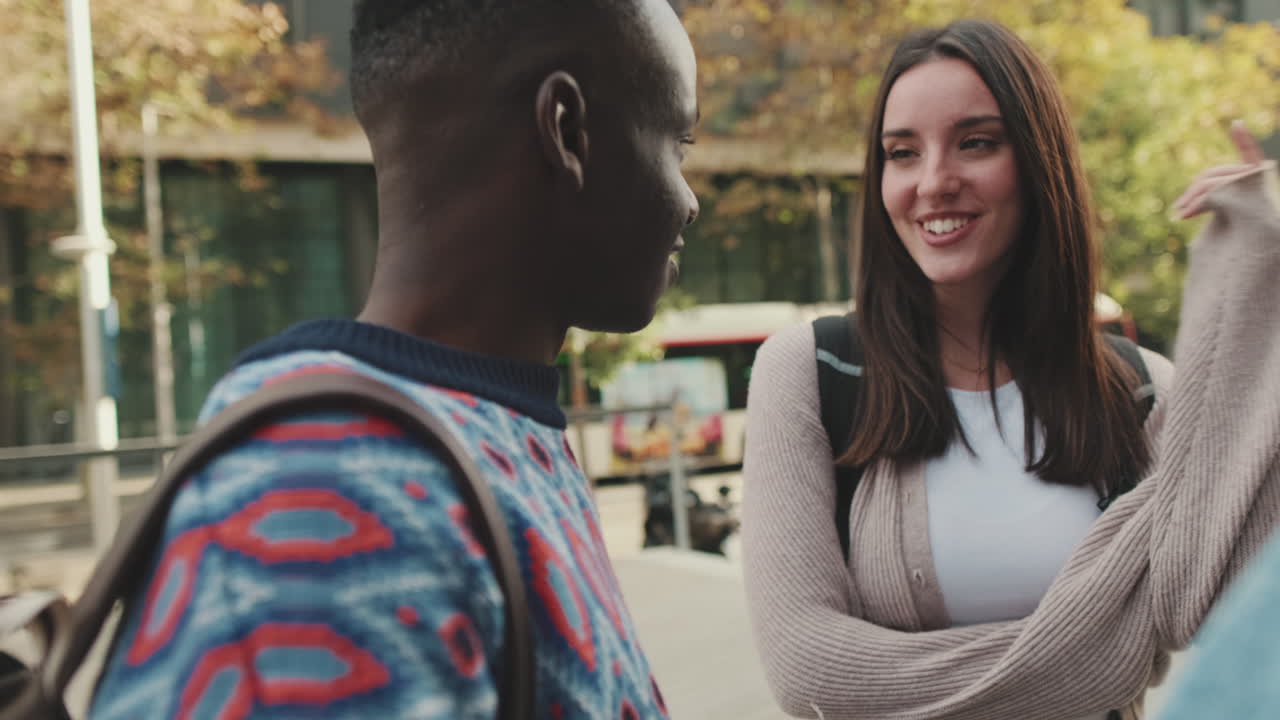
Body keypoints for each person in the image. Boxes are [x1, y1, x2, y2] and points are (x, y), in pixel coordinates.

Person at [90, 0, 699, 718]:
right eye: (678, 145)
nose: (689, 201)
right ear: (565, 130)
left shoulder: (479, 433)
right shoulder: (319, 505)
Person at [741, 18, 1280, 720]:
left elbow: (1211, 608)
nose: (933, 182)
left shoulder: (1142, 391)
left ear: (1038, 162)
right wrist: (1093, 653)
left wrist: (1257, 288)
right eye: (902, 153)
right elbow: (811, 672)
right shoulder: (811, 373)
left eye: (976, 143)